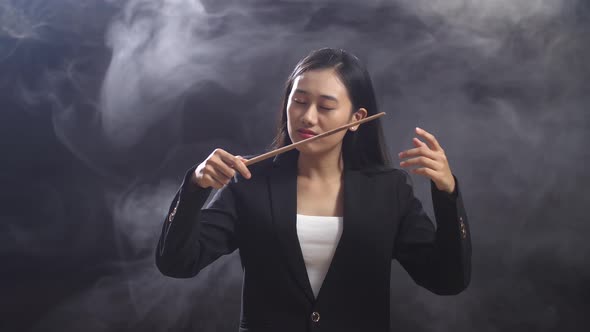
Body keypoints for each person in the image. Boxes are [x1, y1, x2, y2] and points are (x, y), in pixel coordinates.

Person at [156, 48, 471, 332]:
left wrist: (447, 192)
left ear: (357, 119)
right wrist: (197, 185)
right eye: (300, 101)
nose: (307, 117)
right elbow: (177, 263)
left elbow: (446, 279)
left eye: (325, 107)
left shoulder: (388, 190)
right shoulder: (249, 179)